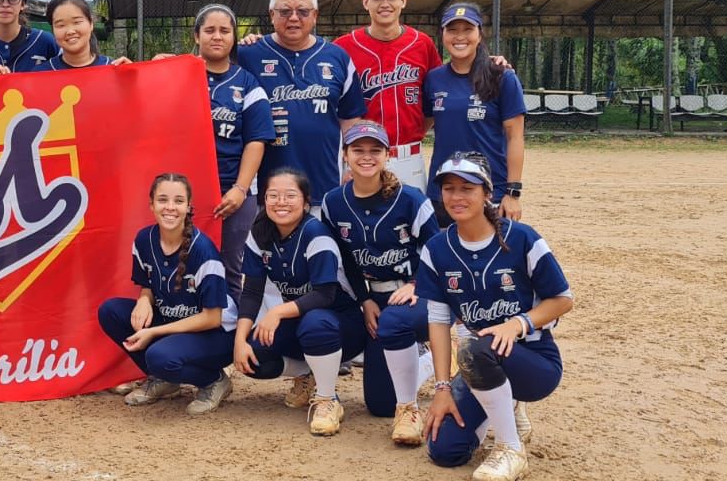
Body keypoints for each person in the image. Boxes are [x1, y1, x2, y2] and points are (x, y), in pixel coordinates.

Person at [415, 152, 573, 481]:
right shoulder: (437, 249)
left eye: (467, 188)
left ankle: (509, 447)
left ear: (487, 193)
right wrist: (442, 388)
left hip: (533, 359)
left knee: (476, 348)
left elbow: (562, 300)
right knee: (445, 451)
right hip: (482, 360)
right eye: (448, 188)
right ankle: (502, 403)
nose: (456, 197)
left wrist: (518, 323)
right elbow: (439, 323)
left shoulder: (522, 238)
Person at [319, 121, 441, 444]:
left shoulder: (411, 199)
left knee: (394, 322)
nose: (367, 157)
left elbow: (439, 250)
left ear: (388, 155)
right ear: (345, 155)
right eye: (358, 149)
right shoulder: (333, 202)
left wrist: (417, 283)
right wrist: (364, 300)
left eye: (375, 150)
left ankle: (437, 349)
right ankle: (426, 361)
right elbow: (345, 259)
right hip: (376, 299)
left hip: (420, 294)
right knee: (381, 405)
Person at [233, 168, 365, 436]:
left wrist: (278, 311)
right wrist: (239, 340)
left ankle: (328, 400)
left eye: (290, 195)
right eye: (273, 195)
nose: (281, 202)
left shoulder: (316, 233)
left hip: (342, 326)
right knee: (255, 354)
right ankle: (307, 374)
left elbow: (324, 295)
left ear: (306, 203)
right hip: (302, 320)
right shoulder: (260, 232)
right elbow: (251, 292)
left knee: (315, 322)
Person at [97, 173, 237, 415]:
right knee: (111, 311)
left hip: (217, 334)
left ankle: (213, 380)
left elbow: (212, 318)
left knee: (159, 356)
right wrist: (143, 299)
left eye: (178, 201)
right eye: (162, 200)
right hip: (176, 323)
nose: (170, 207)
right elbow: (147, 284)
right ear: (151, 205)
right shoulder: (144, 239)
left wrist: (153, 331)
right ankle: (164, 380)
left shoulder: (203, 251)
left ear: (188, 207)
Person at [237, 0, 366, 213]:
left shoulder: (337, 57)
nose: (293, 18)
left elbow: (350, 120)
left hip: (324, 185)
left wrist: (352, 167)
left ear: (315, 15)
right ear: (271, 15)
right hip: (265, 190)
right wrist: (166, 63)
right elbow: (208, 71)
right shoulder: (247, 55)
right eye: (285, 11)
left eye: (303, 11)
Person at [190, 4, 273, 300]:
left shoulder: (247, 83)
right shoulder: (176, 74)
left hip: (233, 192)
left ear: (234, 38)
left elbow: (256, 140)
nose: (217, 36)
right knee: (185, 266)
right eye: (209, 30)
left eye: (225, 31)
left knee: (232, 269)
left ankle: (233, 339)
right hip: (185, 191)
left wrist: (240, 189)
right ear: (196, 35)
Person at [333, 0, 441, 188]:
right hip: (362, 159)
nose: (385, 3)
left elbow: (439, 94)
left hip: (408, 157)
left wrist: (488, 61)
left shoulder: (422, 44)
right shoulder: (342, 47)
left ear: (404, 1)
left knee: (411, 221)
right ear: (365, 2)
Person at [423, 3, 526, 222]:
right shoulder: (433, 79)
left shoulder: (501, 77)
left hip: (489, 190)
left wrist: (513, 192)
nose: (459, 37)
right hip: (444, 190)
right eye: (452, 30)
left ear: (479, 34)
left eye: (467, 29)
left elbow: (515, 136)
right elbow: (421, 126)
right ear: (442, 35)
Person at [42, 0, 129, 69]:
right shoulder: (41, 75)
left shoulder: (113, 69)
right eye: (61, 25)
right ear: (53, 30)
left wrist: (135, 79)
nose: (70, 31)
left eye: (77, 22)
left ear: (91, 24)